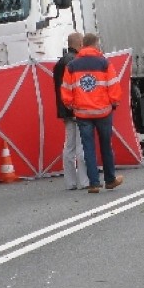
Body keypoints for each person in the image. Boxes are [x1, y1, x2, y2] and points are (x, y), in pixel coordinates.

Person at [61, 32, 124, 194]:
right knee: (105, 146)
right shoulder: (104, 63)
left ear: (83, 45)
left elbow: (66, 89)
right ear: (95, 45)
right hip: (103, 112)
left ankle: (94, 183)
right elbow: (113, 85)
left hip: (82, 114)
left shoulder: (73, 65)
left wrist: (71, 105)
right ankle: (110, 180)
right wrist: (114, 102)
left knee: (88, 148)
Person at [53, 31, 89, 190]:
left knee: (69, 147)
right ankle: (84, 181)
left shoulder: (60, 63)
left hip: (64, 109)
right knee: (81, 146)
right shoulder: (76, 62)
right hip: (77, 108)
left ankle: (70, 182)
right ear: (79, 44)